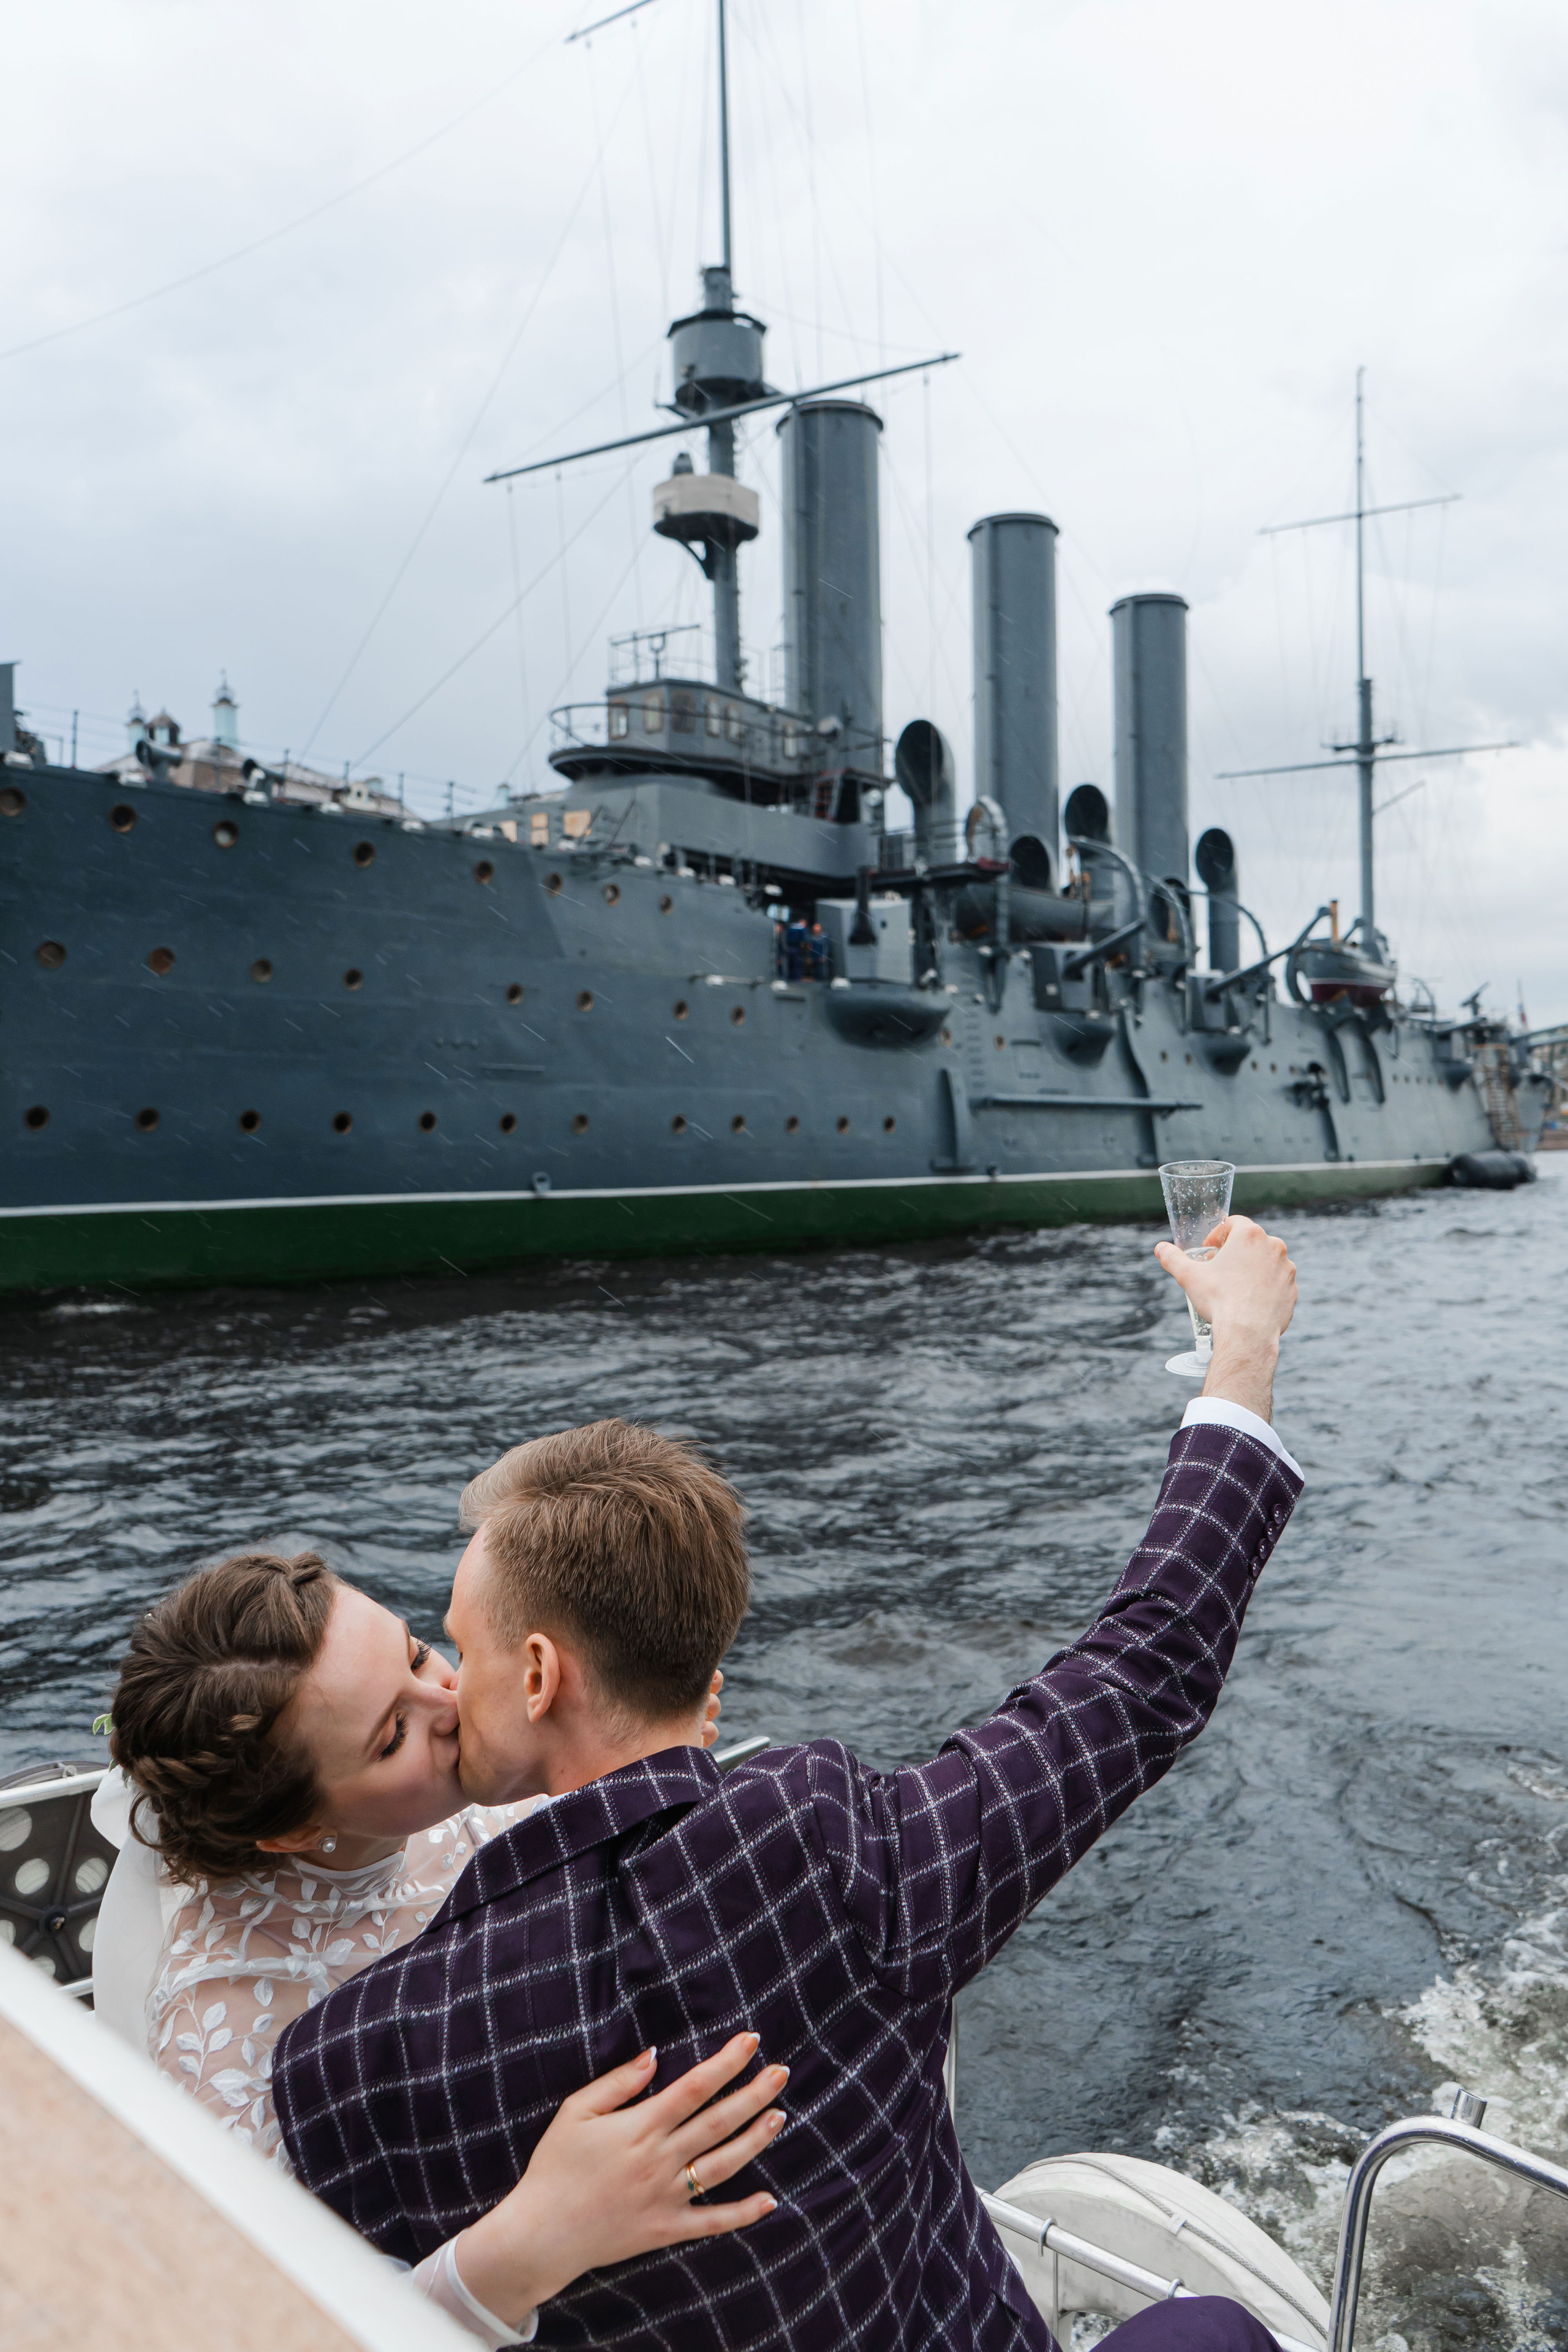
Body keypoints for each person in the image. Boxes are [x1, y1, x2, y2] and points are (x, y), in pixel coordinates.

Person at [271, 1214, 1302, 2352]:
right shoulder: (823, 1844)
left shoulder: (354, 2059)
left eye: (456, 1647)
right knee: (1217, 2331)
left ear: (539, 1671)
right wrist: (1242, 1342)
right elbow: (1141, 1671)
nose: (449, 1685)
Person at [103, 1562, 787, 2349]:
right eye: (393, 1733)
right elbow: (285, 2327)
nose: (453, 1702)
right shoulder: (221, 2033)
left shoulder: (476, 1776)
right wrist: (536, 2235)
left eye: (419, 1652)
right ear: (294, 1833)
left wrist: (650, 1773)